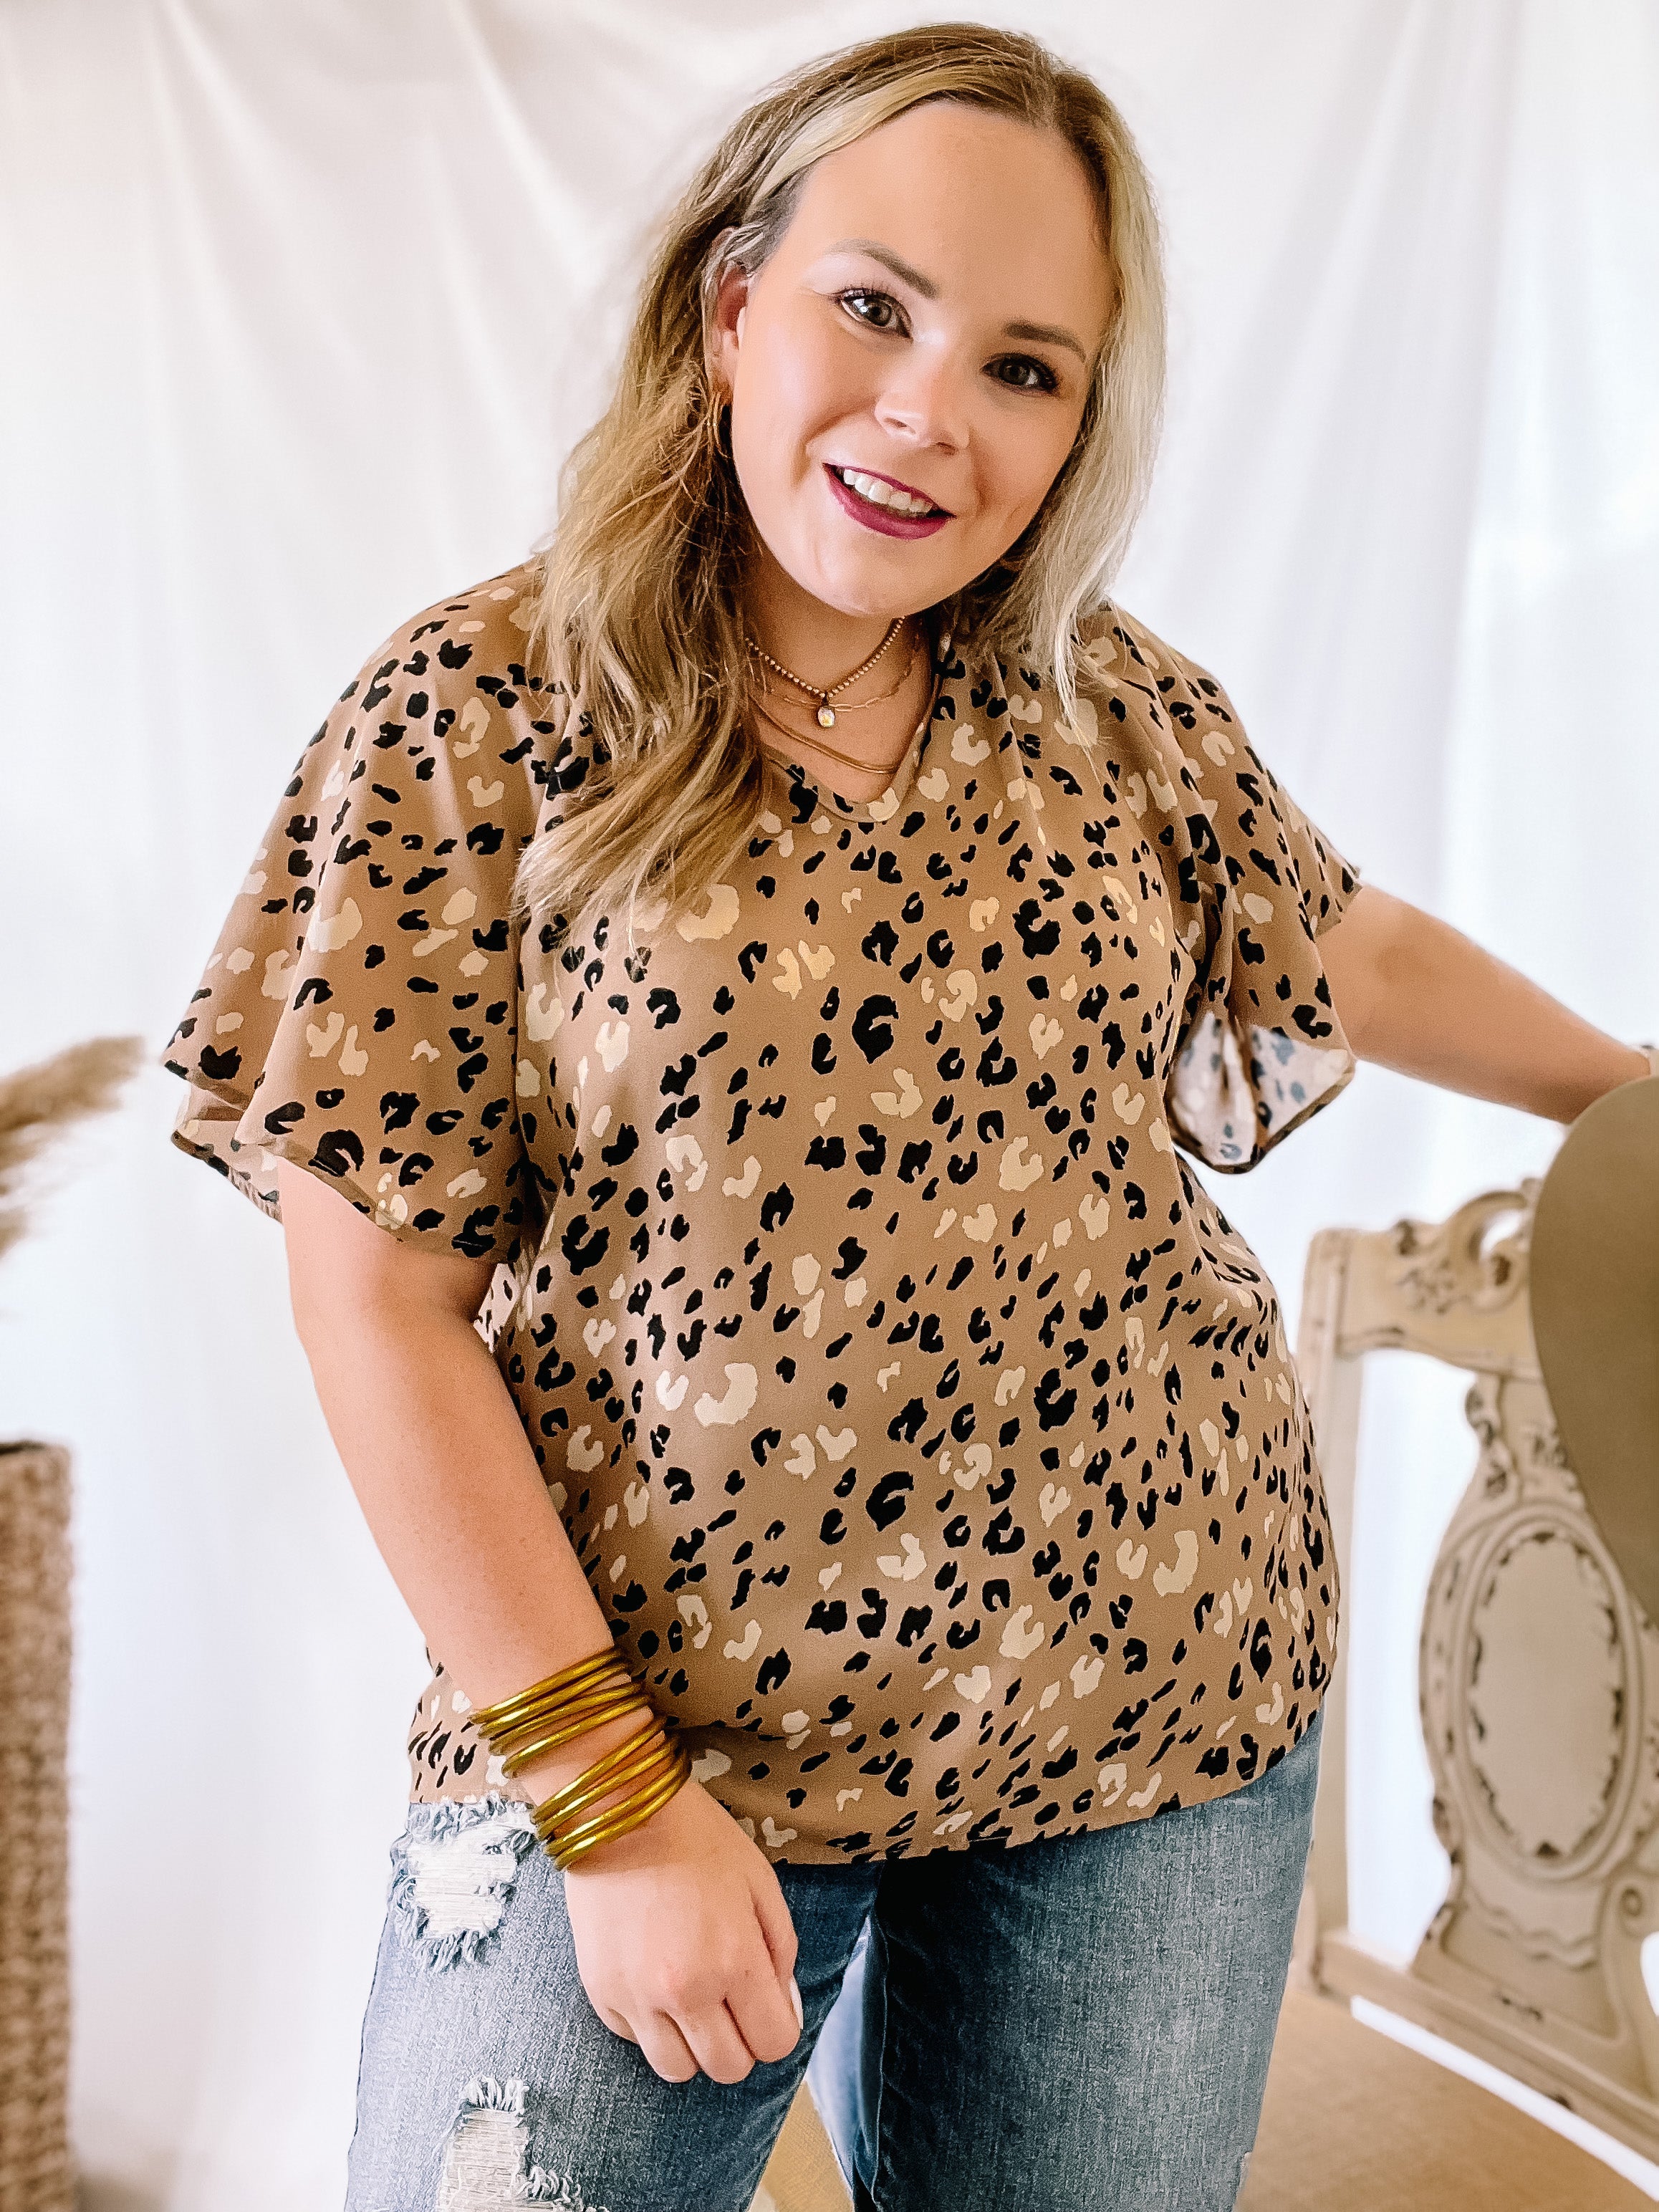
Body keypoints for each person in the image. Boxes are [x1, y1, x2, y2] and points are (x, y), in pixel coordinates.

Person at [160, 23, 1653, 2212]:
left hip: (1150, 1687)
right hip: (653, 1714)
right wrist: (608, 1807)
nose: (928, 412)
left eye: (1022, 366)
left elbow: (1336, 934)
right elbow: (375, 1301)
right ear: (728, 306)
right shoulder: (481, 710)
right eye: (872, 306)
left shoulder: (1103, 701)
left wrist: (1634, 1089)